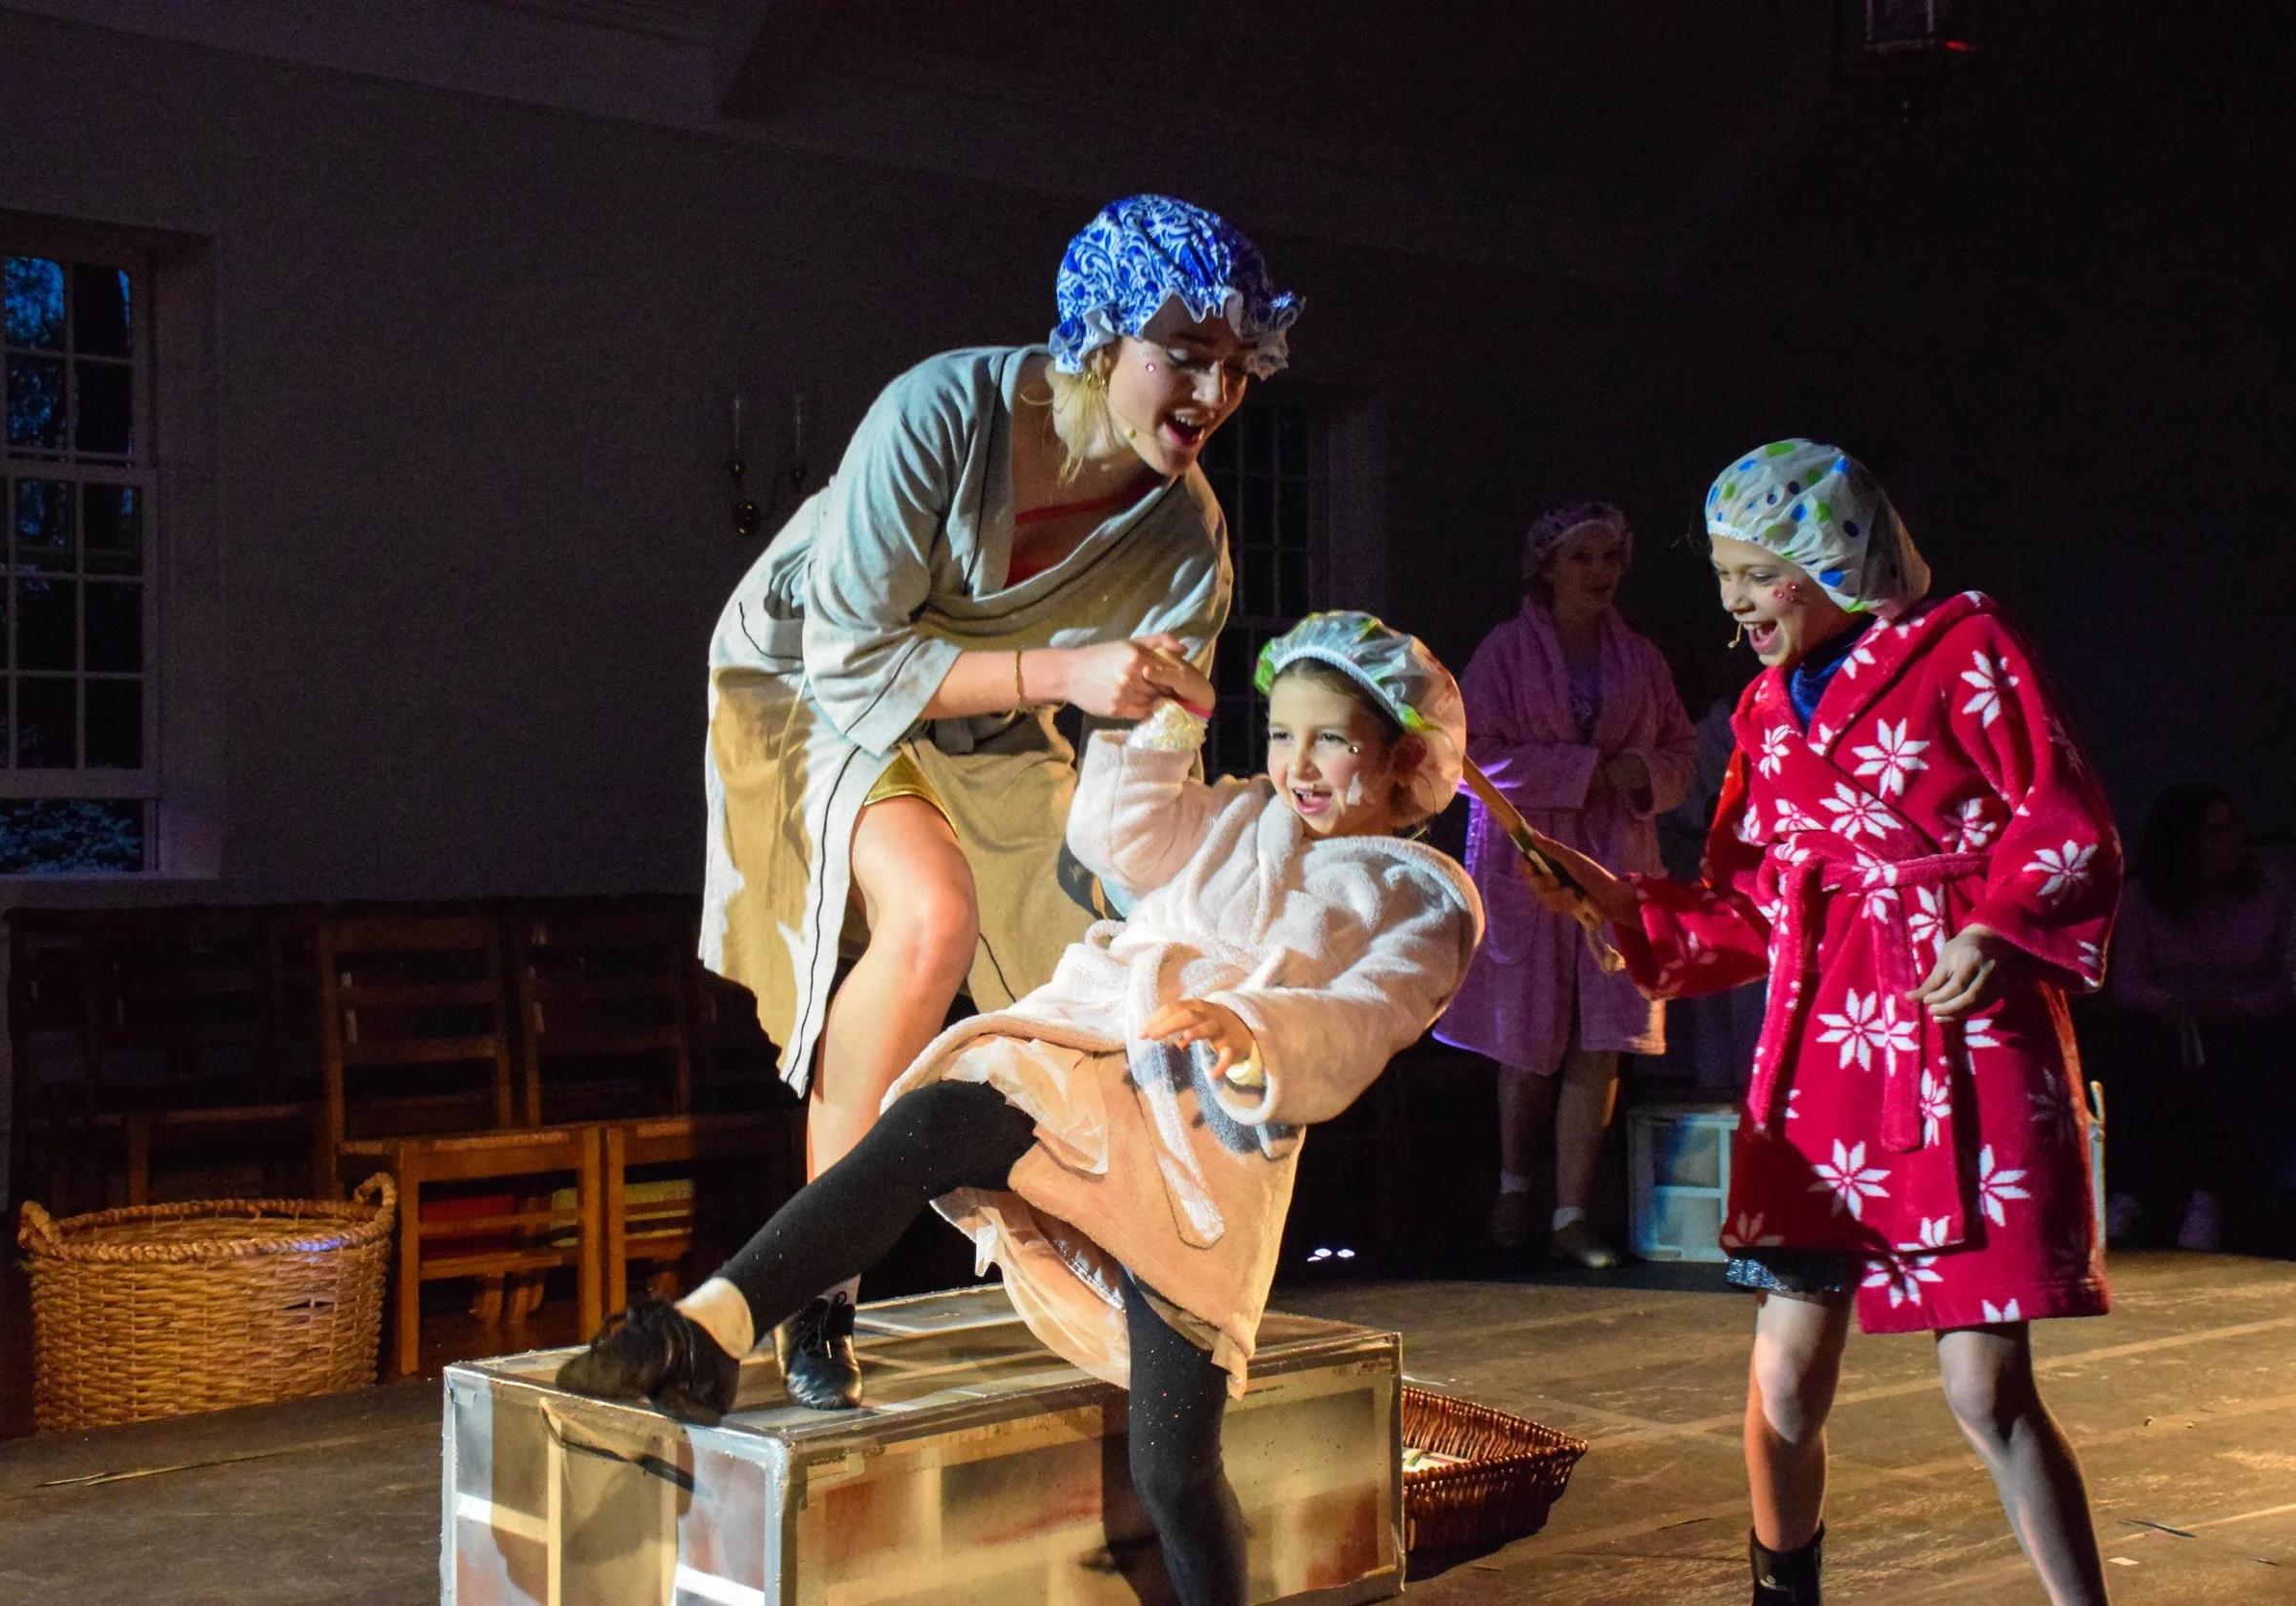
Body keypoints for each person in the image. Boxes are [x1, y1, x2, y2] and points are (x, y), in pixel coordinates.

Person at [568, 612, 1481, 1606]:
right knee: (935, 1116)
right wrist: (1166, 728)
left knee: (1173, 1468)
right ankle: (710, 1327)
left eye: (1332, 741)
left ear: (1401, 757)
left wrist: (1245, 1026)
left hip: (1197, 1137)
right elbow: (1113, 833)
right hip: (1087, 1052)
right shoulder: (1229, 817)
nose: (1296, 765)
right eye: (1280, 734)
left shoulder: (1422, 892)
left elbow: (1365, 1012)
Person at [702, 195, 1301, 1406]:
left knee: (1096, 962)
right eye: (1181, 354)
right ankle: (820, 1293)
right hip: (815, 682)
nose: (1212, 390)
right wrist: (1066, 674)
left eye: (1234, 367)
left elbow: (1148, 774)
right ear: (1101, 338)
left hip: (985, 721)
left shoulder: (1188, 543)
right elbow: (853, 654)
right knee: (929, 916)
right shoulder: (943, 409)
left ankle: (1127, 1276)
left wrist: (1238, 855)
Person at [1518, 442, 2122, 1605]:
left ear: (1830, 560)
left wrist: (1992, 926)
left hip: (1962, 1043)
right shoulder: (1759, 714)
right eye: (1724, 578)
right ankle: (1780, 1592)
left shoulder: (1966, 653)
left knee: (1984, 1388)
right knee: (1786, 1379)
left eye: (1758, 575)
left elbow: (2065, 821)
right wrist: (1608, 898)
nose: (1736, 603)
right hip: (1823, 1063)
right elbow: (1745, 903)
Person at [1434, 502, 1696, 1266]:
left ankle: (1571, 1212)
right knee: (1528, 1029)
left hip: (1618, 852)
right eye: (1582, 558)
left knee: (1602, 1032)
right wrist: (1583, 770)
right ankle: (1517, 1188)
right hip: (1530, 857)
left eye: (1610, 558)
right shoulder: (1505, 653)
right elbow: (1465, 755)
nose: (1600, 573)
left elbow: (1679, 748)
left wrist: (1644, 772)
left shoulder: (1641, 659)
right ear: (1546, 566)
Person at [2104, 784, 2296, 1252]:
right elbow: (2126, 979)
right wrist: (2167, 1006)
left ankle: (2213, 1196)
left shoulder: (2274, 889)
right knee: (2141, 1056)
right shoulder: (2142, 897)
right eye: (2215, 833)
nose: (2233, 842)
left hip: (2250, 1018)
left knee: (2248, 1067)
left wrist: (2239, 1009)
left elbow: (2289, 977)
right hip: (2169, 1022)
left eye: (2234, 827)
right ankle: (2135, 1192)